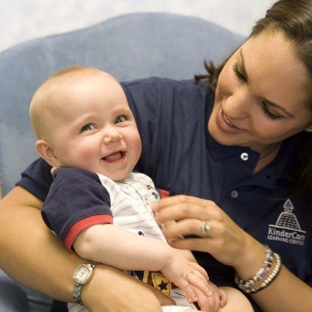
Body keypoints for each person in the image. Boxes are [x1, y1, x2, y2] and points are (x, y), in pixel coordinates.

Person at [1, 0, 312, 311]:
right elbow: (9, 221)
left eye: (270, 110)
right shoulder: (131, 117)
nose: (231, 108)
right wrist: (93, 283)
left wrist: (247, 254)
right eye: (240, 72)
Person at [29, 66, 251, 312]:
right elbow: (91, 240)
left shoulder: (141, 182)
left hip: (169, 296)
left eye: (120, 119)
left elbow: (173, 241)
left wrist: (199, 281)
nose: (112, 134)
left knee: (234, 299)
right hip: (119, 302)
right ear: (51, 153)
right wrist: (166, 258)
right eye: (88, 127)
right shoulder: (74, 183)